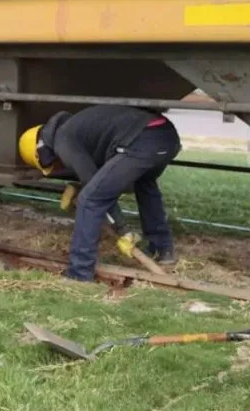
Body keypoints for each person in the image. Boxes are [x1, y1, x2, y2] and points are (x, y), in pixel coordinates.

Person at [17, 105, 182, 282]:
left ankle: (79, 272)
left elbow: (92, 187)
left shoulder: (63, 139)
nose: (59, 166)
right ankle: (162, 250)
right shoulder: (76, 127)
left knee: (88, 200)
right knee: (145, 185)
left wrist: (122, 230)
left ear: (41, 152)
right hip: (165, 135)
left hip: (142, 140)